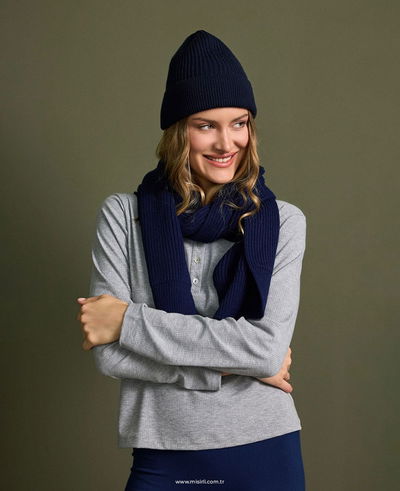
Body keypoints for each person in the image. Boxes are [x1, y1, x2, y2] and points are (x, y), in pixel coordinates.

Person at [77, 30, 307, 490]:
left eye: (239, 123)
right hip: (161, 449)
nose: (226, 143)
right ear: (177, 131)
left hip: (264, 445)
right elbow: (110, 357)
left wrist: (128, 323)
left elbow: (265, 349)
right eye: (206, 126)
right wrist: (238, 363)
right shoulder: (124, 216)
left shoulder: (283, 221)